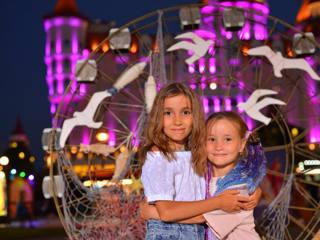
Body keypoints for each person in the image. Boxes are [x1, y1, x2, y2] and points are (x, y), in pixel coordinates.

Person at [140, 83, 259, 240]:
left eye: (185, 112)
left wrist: (256, 189)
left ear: (194, 115)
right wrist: (218, 202)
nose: (177, 121)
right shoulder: (160, 156)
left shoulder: (196, 154)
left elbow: (167, 213)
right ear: (157, 116)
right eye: (168, 113)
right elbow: (167, 212)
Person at [204, 111, 266, 239]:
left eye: (227, 139)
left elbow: (200, 217)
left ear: (242, 144)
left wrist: (162, 214)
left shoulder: (239, 188)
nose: (218, 146)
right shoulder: (202, 178)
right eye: (211, 139)